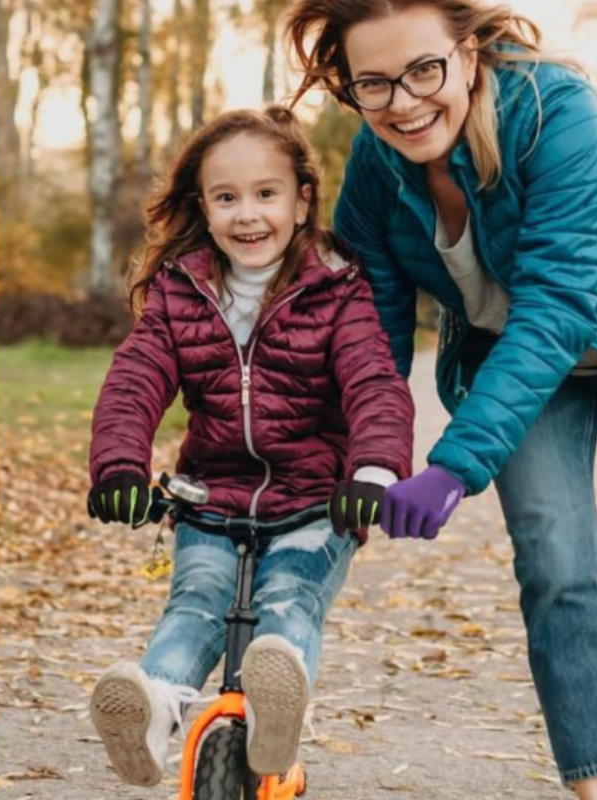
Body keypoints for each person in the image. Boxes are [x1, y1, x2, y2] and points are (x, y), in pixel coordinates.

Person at [284, 2, 597, 798]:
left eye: (423, 70)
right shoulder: (375, 169)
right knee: (555, 562)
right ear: (350, 88)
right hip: (522, 362)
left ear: (470, 55)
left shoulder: (562, 118)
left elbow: (556, 308)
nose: (402, 102)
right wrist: (345, 455)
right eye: (374, 83)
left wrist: (455, 465)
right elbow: (374, 337)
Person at [86, 105, 414, 787]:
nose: (247, 214)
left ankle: (274, 712)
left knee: (289, 598)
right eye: (226, 197)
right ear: (203, 209)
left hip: (314, 503)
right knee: (196, 601)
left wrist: (375, 470)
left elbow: (374, 383)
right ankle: (155, 705)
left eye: (266, 194)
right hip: (211, 497)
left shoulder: (337, 288)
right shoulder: (183, 291)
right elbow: (135, 380)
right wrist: (120, 463)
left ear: (301, 202)